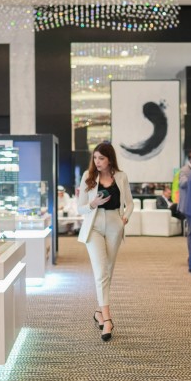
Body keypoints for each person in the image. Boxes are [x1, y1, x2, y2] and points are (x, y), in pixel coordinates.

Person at [76, 142, 134, 339]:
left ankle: (99, 312)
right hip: (94, 226)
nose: (97, 162)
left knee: (107, 271)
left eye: (101, 158)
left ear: (110, 159)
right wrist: (93, 203)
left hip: (115, 226)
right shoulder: (88, 176)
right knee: (101, 272)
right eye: (95, 158)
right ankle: (107, 319)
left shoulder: (121, 176)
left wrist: (125, 217)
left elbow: (130, 203)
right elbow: (80, 208)